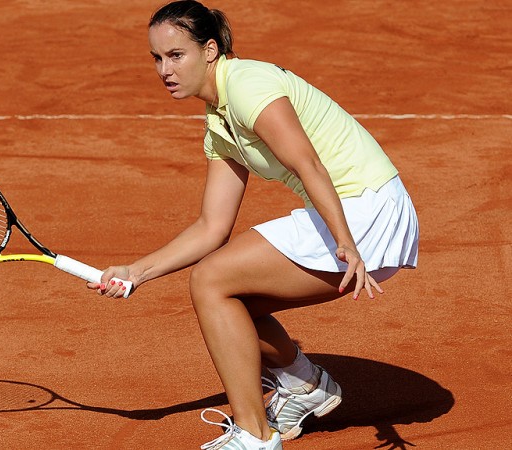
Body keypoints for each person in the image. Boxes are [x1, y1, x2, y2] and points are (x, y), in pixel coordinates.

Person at [87, 1, 419, 449]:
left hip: (363, 211)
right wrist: (136, 271)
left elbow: (308, 165)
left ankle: (256, 436)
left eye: (176, 55)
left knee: (211, 280)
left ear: (209, 50)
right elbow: (211, 226)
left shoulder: (247, 84)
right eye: (157, 58)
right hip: (347, 214)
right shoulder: (218, 123)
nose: (164, 69)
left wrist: (347, 243)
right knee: (232, 297)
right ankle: (305, 386)